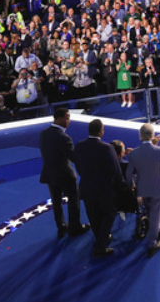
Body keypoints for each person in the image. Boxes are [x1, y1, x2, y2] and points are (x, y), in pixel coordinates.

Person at [73, 118, 127, 257]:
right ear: (101, 131)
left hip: (86, 187)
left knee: (93, 215)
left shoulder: (79, 146)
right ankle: (100, 245)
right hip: (104, 189)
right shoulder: (107, 148)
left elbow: (78, 166)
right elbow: (116, 170)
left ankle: (100, 239)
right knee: (109, 214)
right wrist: (122, 186)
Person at [38, 107, 86, 239]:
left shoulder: (43, 133)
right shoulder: (63, 137)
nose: (69, 121)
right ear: (59, 119)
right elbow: (73, 157)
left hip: (49, 174)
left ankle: (61, 227)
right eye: (67, 118)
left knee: (56, 201)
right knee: (73, 198)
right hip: (65, 175)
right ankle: (74, 227)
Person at [126, 123, 160, 256]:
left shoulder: (134, 153)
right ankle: (152, 244)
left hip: (142, 189)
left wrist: (131, 185)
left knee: (149, 210)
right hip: (157, 189)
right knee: (155, 215)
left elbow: (129, 174)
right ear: (152, 135)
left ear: (140, 136)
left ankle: (154, 227)